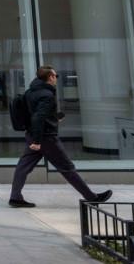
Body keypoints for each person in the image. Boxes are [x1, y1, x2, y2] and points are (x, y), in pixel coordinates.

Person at [9, 65, 113, 208]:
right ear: (50, 77)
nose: (56, 78)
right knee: (67, 167)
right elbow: (38, 117)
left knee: (23, 166)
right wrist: (38, 141)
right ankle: (92, 197)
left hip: (33, 135)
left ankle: (15, 197)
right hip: (46, 138)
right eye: (55, 76)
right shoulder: (47, 94)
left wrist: (54, 118)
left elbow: (34, 113)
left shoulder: (30, 92)